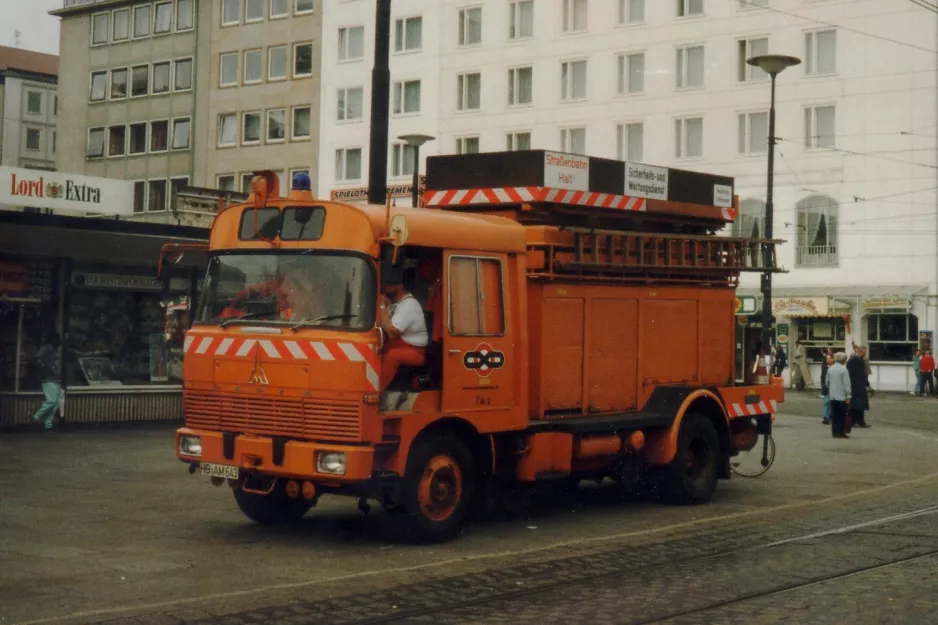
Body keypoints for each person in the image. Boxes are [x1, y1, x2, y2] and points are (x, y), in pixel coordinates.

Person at [377, 276, 428, 392]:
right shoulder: (400, 304)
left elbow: (391, 331)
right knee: (378, 351)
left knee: (392, 356)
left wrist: (382, 306)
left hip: (416, 351)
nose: (385, 288)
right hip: (403, 343)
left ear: (400, 285)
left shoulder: (409, 305)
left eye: (388, 285)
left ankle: (376, 391)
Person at [31, 332, 62, 431]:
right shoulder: (45, 348)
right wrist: (44, 367)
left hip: (55, 378)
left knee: (55, 403)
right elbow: (36, 359)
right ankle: (36, 417)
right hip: (47, 378)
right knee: (51, 401)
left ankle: (48, 423)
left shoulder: (54, 350)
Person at [827, 352, 852, 439]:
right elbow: (846, 384)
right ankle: (841, 432)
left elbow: (827, 382)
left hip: (832, 395)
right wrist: (848, 396)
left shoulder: (830, 369)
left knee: (834, 415)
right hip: (841, 396)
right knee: (841, 415)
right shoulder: (844, 370)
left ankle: (834, 432)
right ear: (843, 360)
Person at [846, 345, 871, 429]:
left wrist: (867, 384)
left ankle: (860, 421)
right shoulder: (853, 360)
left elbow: (863, 374)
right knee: (855, 405)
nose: (866, 353)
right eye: (865, 352)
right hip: (854, 386)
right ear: (860, 352)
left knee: (861, 405)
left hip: (860, 385)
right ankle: (853, 421)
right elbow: (850, 373)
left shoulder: (860, 360)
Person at [821, 353, 834, 425]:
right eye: (827, 359)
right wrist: (822, 385)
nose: (828, 360)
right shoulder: (824, 367)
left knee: (832, 402)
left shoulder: (835, 367)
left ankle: (831, 416)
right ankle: (825, 417)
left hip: (833, 387)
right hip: (826, 387)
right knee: (827, 402)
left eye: (829, 358)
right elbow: (822, 376)